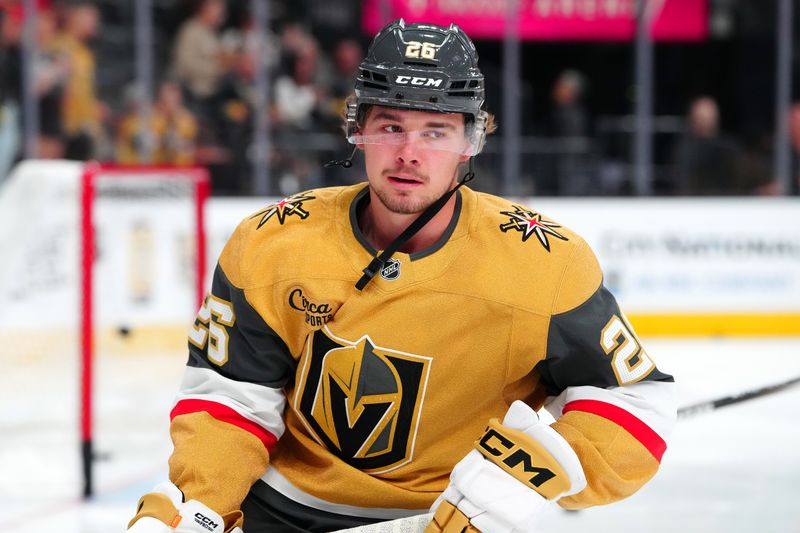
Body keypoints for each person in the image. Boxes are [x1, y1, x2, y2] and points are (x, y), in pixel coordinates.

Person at [127, 20, 676, 533]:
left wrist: (529, 473)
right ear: (357, 131)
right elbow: (231, 399)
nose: (408, 154)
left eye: (435, 132)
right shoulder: (272, 242)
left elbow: (633, 406)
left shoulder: (545, 264)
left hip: (448, 518)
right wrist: (200, 509)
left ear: (470, 143)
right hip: (282, 511)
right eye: (391, 126)